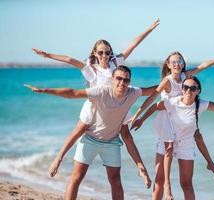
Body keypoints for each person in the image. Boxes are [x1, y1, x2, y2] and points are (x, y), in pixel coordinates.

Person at [32, 19, 160, 186]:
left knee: (126, 135)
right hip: (95, 107)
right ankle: (58, 158)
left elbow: (133, 44)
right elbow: (70, 59)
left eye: (107, 52)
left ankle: (141, 169)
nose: (105, 56)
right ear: (95, 53)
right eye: (101, 53)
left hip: (117, 106)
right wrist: (47, 55)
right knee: (79, 130)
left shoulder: (115, 63)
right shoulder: (91, 69)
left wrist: (149, 29)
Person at [25, 66, 157, 200]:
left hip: (111, 142)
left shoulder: (132, 92)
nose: (122, 83)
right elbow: (73, 93)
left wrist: (173, 82)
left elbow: (156, 90)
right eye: (118, 78)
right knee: (77, 176)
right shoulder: (101, 92)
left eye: (126, 80)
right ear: (112, 79)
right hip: (90, 139)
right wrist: (45, 90)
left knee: (115, 179)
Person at [129, 49, 214, 199]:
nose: (177, 64)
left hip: (181, 118)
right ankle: (167, 187)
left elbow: (204, 65)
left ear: (183, 63)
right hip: (167, 118)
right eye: (174, 62)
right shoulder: (167, 80)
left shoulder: (186, 77)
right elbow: (152, 99)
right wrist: (137, 115)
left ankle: (209, 163)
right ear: (168, 64)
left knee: (197, 136)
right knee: (167, 156)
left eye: (180, 61)